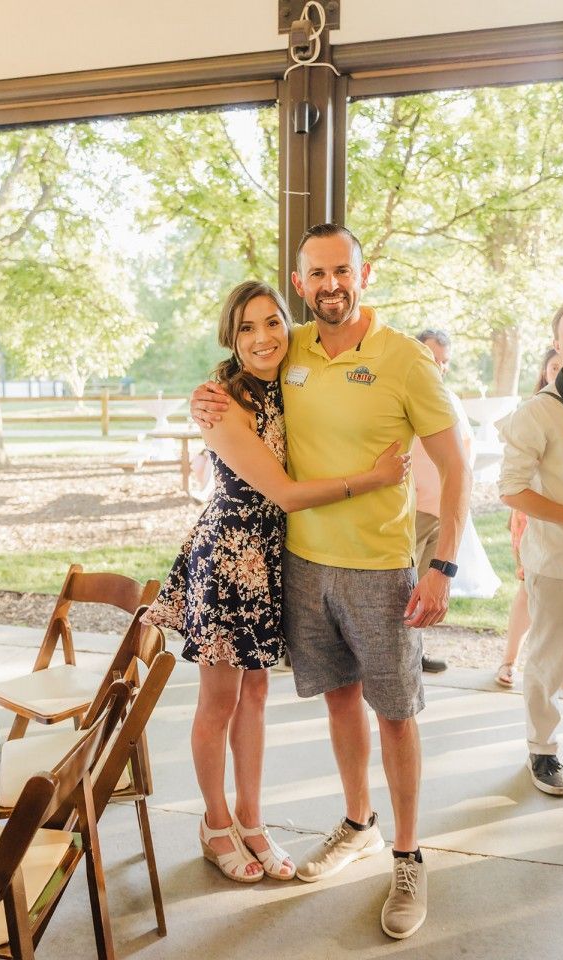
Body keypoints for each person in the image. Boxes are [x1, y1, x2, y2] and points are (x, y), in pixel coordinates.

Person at [191, 225, 471, 939]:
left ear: (363, 272)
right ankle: (358, 824)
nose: (330, 285)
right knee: (341, 702)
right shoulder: (293, 351)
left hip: (381, 569)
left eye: (341, 270)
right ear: (300, 281)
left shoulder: (404, 358)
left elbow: (459, 463)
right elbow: (241, 387)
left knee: (396, 713)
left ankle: (408, 855)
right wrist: (205, 394)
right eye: (316, 274)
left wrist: (442, 565)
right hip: (302, 566)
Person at [142, 280, 411, 885]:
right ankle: (215, 826)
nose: (262, 338)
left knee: (255, 694)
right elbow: (286, 493)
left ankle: (251, 818)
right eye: (246, 328)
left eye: (271, 323)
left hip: (273, 555)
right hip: (232, 554)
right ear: (229, 338)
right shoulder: (224, 402)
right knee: (219, 699)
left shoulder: (290, 384)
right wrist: (373, 478)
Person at [499, 296, 563, 797]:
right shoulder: (537, 413)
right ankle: (542, 750)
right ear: (557, 346)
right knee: (547, 662)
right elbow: (512, 490)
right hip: (560, 564)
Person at [496, 347, 563, 695]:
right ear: (545, 372)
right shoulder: (531, 411)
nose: (560, 371)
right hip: (532, 512)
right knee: (528, 586)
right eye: (553, 366)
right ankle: (509, 659)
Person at [412, 329, 499, 671]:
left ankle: (414, 654)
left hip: (441, 509)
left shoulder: (450, 398)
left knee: (426, 588)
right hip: (414, 509)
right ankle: (398, 658)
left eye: (445, 361)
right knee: (403, 588)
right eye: (434, 359)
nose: (441, 367)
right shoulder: (406, 396)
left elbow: (464, 450)